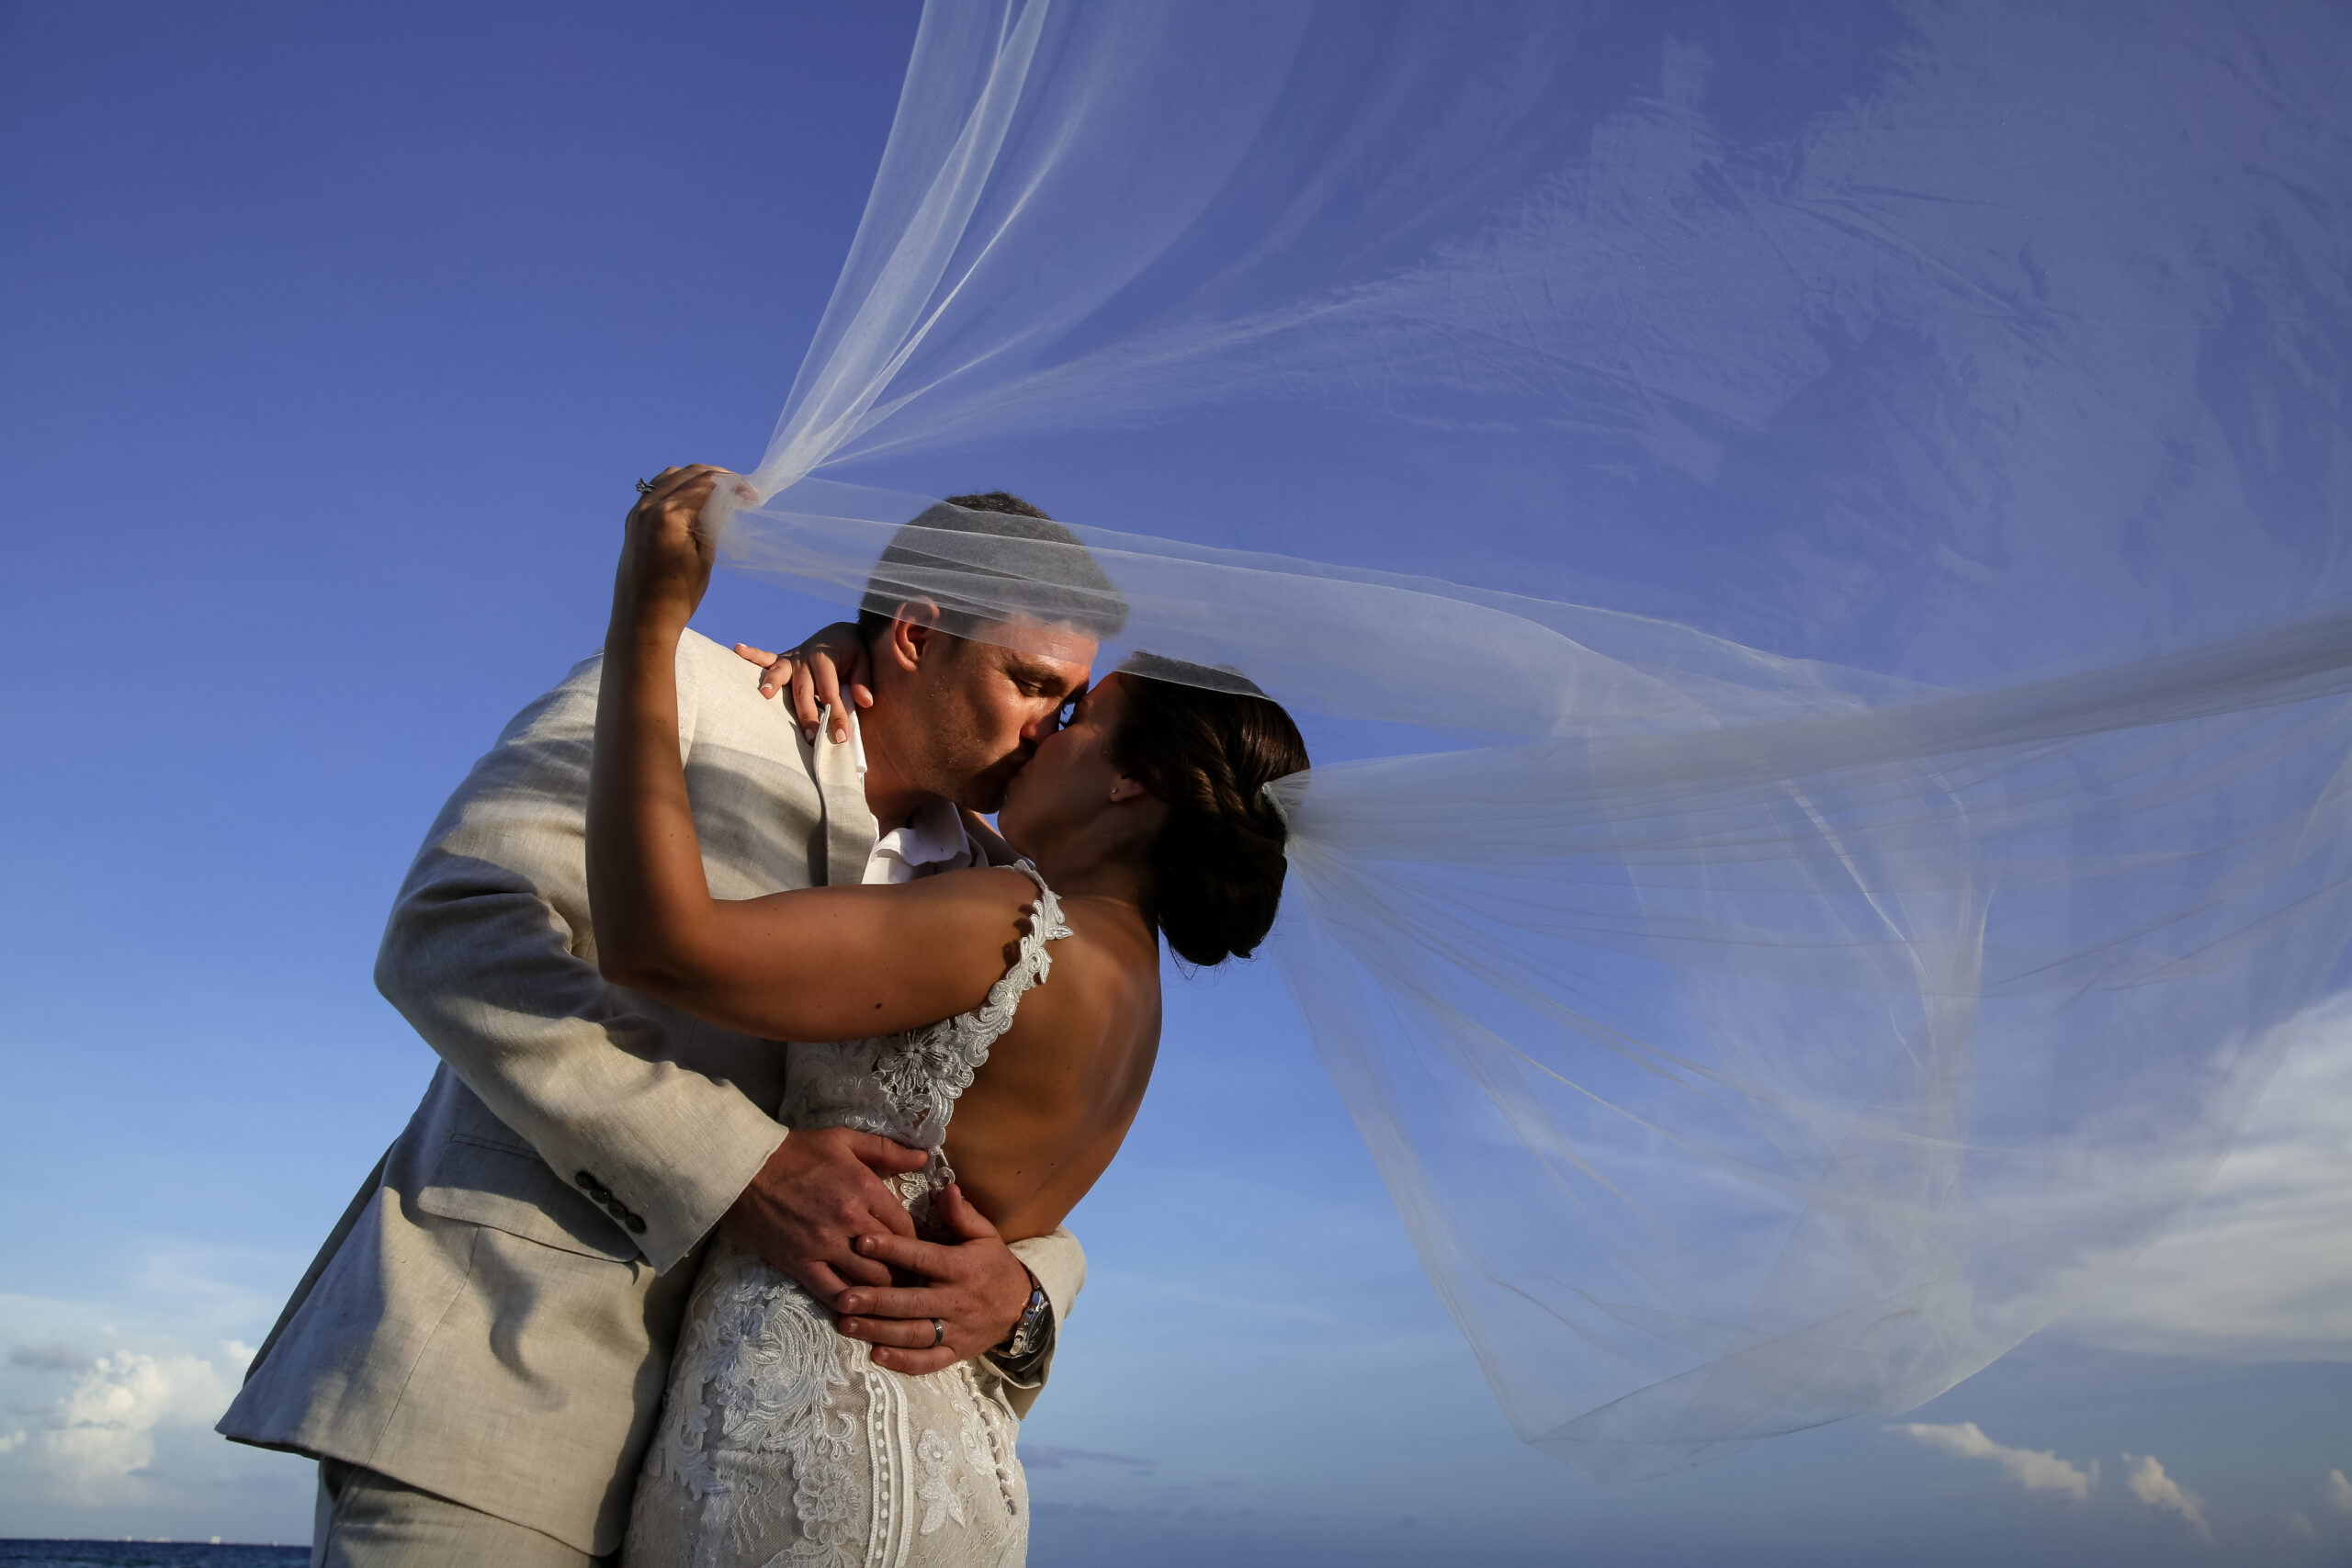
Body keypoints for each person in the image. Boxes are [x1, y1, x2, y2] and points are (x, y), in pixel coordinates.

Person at [218, 471, 1125, 1566]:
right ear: (920, 637)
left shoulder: (1003, 894)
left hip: (762, 1478)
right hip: (497, 1391)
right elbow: (450, 927)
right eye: (1029, 681)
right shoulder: (686, 692)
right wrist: (738, 1167)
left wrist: (1029, 1297)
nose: (1046, 728)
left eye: (1067, 703)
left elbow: (1019, 1145)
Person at [594, 468, 1306, 1567]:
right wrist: (858, 642)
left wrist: (647, 625)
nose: (1043, 736)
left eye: (1077, 718)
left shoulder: (1006, 923)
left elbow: (658, 945)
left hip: (811, 1449)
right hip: (958, 1464)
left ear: (1132, 782)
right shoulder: (1134, 998)